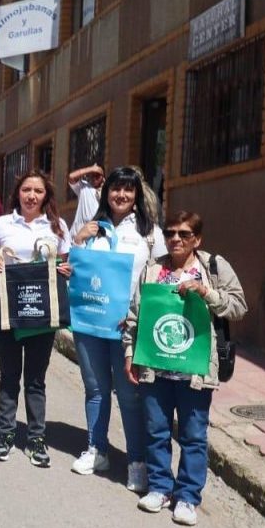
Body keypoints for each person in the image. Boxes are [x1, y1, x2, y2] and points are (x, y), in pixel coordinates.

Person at [123, 211, 247, 526]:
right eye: (171, 233)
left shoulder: (213, 268)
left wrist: (206, 292)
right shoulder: (152, 269)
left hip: (195, 371)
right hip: (155, 367)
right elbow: (135, 316)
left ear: (197, 239)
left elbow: (238, 306)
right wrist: (129, 354)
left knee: (193, 435)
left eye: (184, 234)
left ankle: (188, 497)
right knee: (156, 431)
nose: (176, 239)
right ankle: (161, 488)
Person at [69, 167, 167, 491]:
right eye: (115, 189)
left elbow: (161, 277)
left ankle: (137, 461)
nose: (121, 195)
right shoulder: (91, 229)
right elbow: (78, 272)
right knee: (95, 389)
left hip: (129, 326)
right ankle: (97, 449)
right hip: (91, 324)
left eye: (128, 189)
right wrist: (77, 245)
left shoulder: (149, 232)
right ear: (105, 192)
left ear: (137, 194)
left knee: (129, 394)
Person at [0, 170, 72, 468]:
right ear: (18, 192)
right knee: (9, 375)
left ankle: (36, 438)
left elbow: (66, 261)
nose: (31, 195)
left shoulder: (57, 226)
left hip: (41, 313)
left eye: (38, 190)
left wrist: (65, 270)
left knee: (36, 379)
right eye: (26, 189)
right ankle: (6, 434)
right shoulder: (1, 224)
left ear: (46, 195)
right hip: (9, 310)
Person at [68, 163, 104, 237]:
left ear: (103, 176)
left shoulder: (107, 191)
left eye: (97, 175)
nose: (94, 177)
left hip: (94, 237)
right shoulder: (84, 187)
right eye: (92, 175)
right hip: (76, 234)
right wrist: (91, 169)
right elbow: (71, 176)